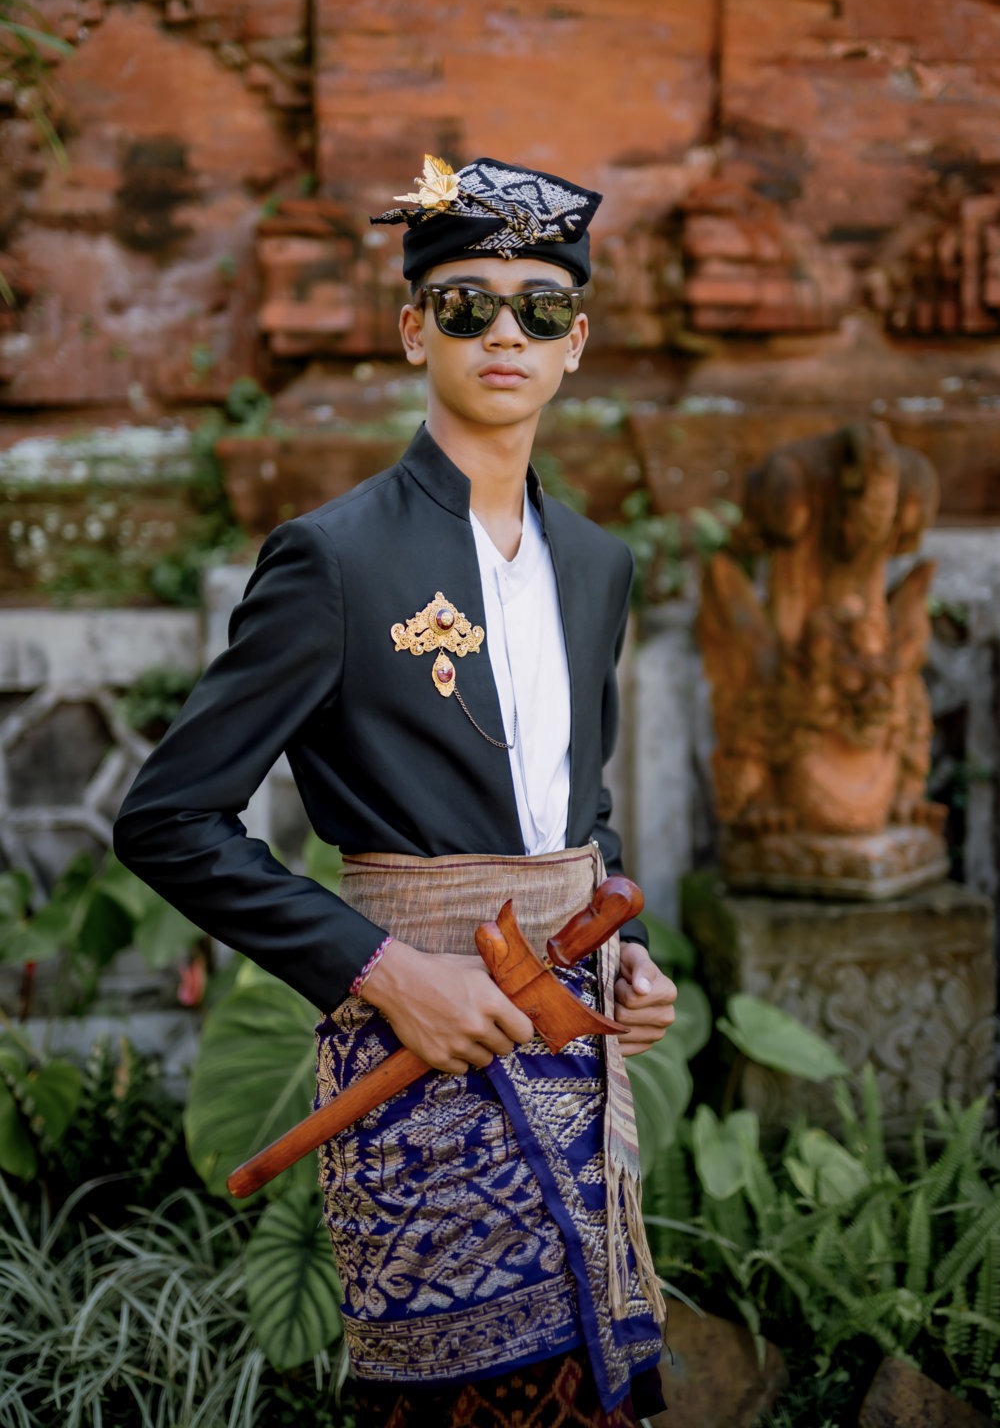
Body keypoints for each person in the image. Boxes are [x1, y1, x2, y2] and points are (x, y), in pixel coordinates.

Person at [114, 154, 677, 1427]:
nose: (504, 334)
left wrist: (624, 951)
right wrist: (384, 972)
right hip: (415, 1045)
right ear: (414, 328)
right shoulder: (335, 559)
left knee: (595, 1386)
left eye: (539, 307)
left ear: (576, 342)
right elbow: (168, 818)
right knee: (458, 1393)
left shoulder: (599, 564)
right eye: (467, 303)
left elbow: (574, 804)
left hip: (570, 1040)